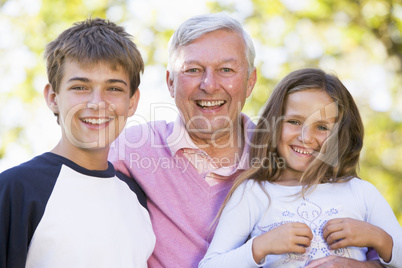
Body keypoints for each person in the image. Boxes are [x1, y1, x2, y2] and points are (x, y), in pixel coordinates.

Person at [198, 68, 402, 268]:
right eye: (294, 122)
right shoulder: (253, 192)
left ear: (341, 135)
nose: (305, 137)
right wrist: (261, 246)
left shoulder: (361, 192)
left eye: (322, 127)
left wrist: (379, 239)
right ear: (273, 124)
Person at [0, 18, 155, 268]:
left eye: (113, 89)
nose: (97, 102)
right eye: (81, 87)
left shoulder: (135, 196)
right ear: (52, 97)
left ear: (132, 101)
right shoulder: (16, 189)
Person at [108, 13, 257, 267]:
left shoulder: (282, 155)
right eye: (193, 70)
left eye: (226, 70)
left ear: (250, 81)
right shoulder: (129, 148)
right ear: (170, 82)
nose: (209, 85)